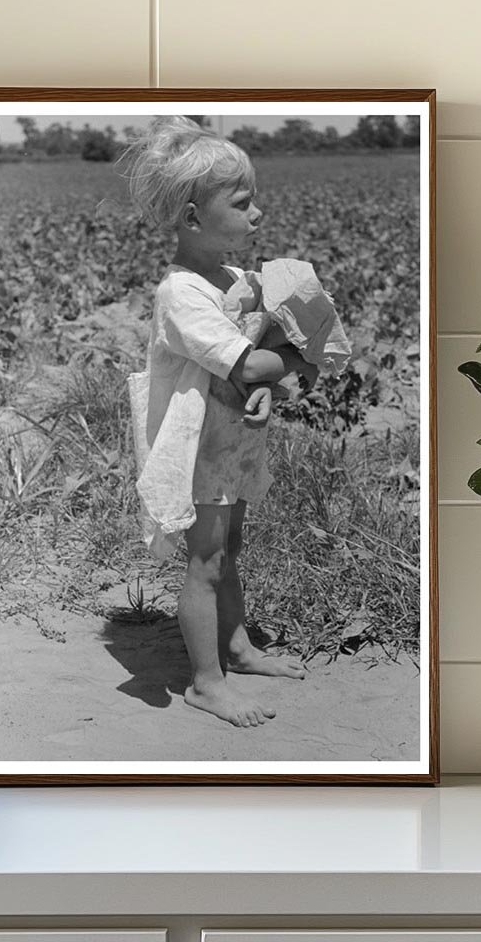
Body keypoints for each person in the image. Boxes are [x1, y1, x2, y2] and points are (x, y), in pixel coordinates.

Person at [119, 116, 319, 729]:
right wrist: (295, 359)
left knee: (229, 547)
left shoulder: (234, 279)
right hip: (198, 446)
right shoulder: (181, 295)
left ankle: (237, 649)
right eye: (242, 202)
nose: (257, 212)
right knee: (204, 561)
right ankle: (206, 683)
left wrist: (267, 381)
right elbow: (253, 357)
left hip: (231, 438)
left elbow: (255, 362)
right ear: (191, 218)